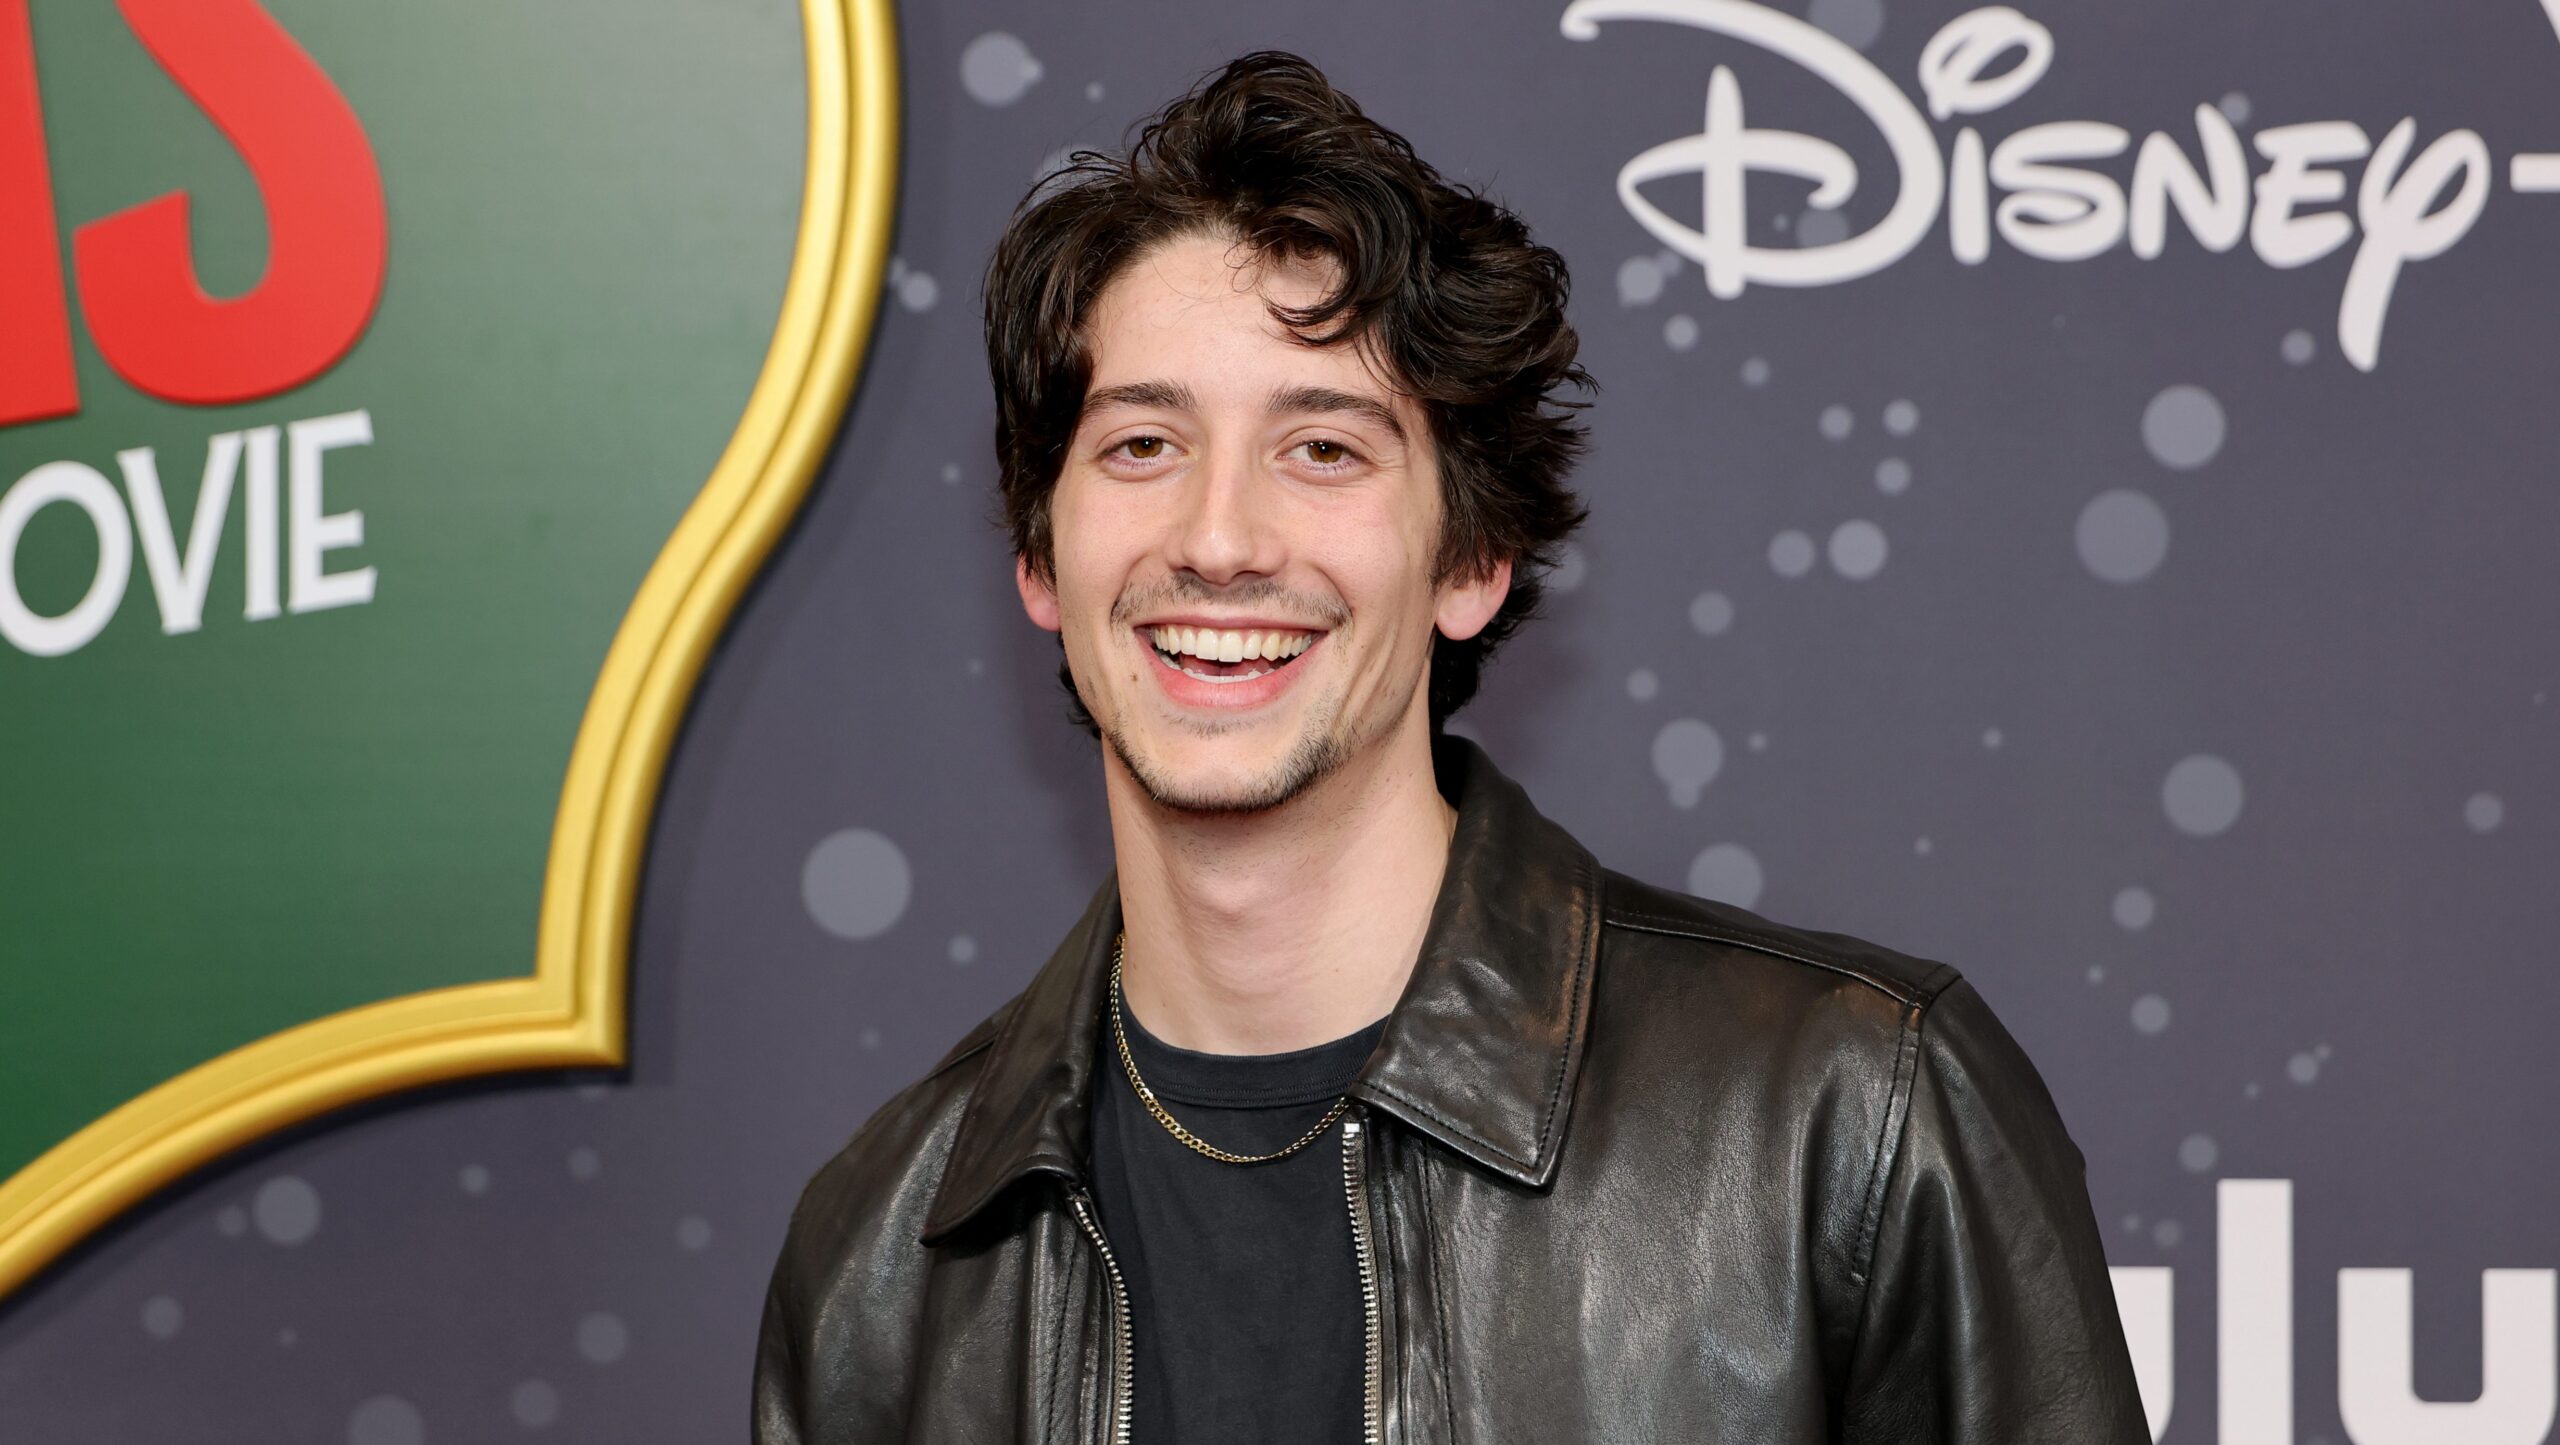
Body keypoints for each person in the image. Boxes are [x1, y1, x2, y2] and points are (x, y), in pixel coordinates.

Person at [753, 51, 2149, 1445]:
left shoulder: (1849, 1122)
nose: (1219, 537)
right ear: (1040, 555)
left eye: (1324, 449)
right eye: (1141, 446)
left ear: (1473, 558)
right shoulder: (883, 1262)